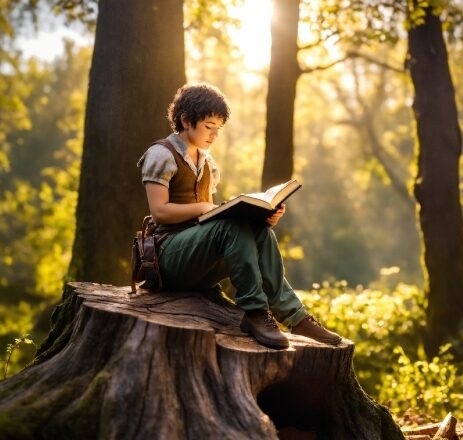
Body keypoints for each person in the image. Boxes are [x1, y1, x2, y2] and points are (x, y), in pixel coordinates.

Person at [137, 83, 342, 349]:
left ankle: (294, 316)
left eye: (218, 129)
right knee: (229, 227)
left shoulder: (207, 162)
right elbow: (160, 212)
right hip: (168, 258)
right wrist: (202, 208)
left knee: (259, 230)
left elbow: (208, 223)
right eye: (209, 126)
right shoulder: (161, 154)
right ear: (186, 120)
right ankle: (255, 312)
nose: (214, 135)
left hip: (199, 261)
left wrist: (262, 218)